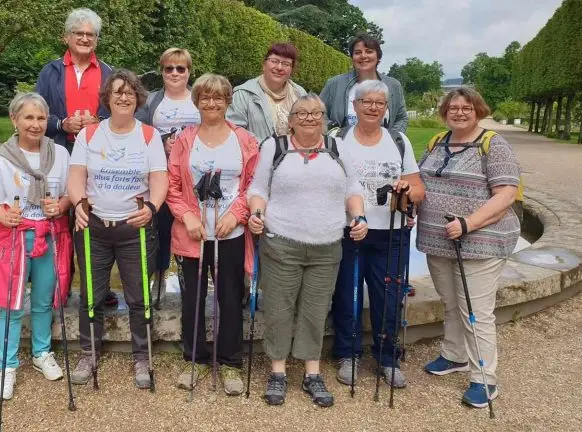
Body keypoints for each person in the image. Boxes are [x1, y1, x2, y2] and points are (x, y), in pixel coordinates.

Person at [247, 93, 367, 407]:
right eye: (302, 112)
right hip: (281, 242)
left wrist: (359, 216)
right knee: (279, 309)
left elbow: (352, 188)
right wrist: (256, 213)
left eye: (317, 112)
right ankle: (278, 372)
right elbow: (258, 188)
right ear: (291, 119)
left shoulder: (338, 147)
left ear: (324, 117)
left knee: (315, 310)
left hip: (327, 245)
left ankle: (312, 373)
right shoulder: (274, 147)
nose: (310, 117)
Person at [417, 88, 520, 409]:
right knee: (450, 302)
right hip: (439, 242)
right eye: (452, 107)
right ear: (444, 111)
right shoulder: (437, 142)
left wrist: (469, 223)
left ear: (478, 110)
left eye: (466, 108)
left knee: (475, 311)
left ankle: (484, 378)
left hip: (479, 243)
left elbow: (505, 195)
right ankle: (454, 354)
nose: (459, 112)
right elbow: (422, 184)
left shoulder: (493, 145)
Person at [67, 69, 167, 389]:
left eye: (129, 92)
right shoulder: (90, 135)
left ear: (138, 98)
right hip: (94, 226)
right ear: (107, 97)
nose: (123, 97)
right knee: (91, 296)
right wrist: (78, 202)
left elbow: (159, 179)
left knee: (139, 298)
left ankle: (141, 356)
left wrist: (152, 208)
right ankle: (88, 352)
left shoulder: (149, 135)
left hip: (133, 229)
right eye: (117, 91)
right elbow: (76, 175)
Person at [0, 93, 72, 400]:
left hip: (50, 235)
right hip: (16, 238)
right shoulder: (1, 159)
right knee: (12, 304)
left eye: (41, 118)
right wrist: (6, 216)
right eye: (28, 117)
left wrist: (61, 206)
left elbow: (69, 194)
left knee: (44, 299)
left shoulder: (59, 154)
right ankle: (8, 365)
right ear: (14, 120)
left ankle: (42, 353)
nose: (35, 124)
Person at [166, 73, 258, 395]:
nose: (212, 102)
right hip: (192, 235)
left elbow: (252, 186)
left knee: (230, 298)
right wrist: (188, 216)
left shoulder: (244, 140)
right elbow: (173, 187)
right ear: (197, 101)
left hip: (229, 233)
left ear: (227, 100)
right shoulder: (184, 140)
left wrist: (236, 215)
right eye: (205, 97)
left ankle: (230, 360)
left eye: (218, 97)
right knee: (192, 298)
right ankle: (195, 358)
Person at [329, 80, 425, 390]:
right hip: (348, 230)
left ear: (385, 109)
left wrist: (408, 191)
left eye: (379, 103)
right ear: (354, 106)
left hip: (390, 232)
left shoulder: (398, 141)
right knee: (347, 294)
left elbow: (418, 188)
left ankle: (387, 357)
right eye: (366, 102)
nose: (373, 107)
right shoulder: (337, 138)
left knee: (389, 297)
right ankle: (348, 354)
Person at [36, 7, 118, 307]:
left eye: (90, 34)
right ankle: (60, 283)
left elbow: (118, 114)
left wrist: (99, 123)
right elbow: (38, 112)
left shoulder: (108, 72)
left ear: (96, 40)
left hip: (97, 157)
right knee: (58, 216)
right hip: (61, 151)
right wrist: (61, 123)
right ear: (67, 37)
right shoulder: (51, 71)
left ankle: (97, 286)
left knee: (93, 219)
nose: (85, 38)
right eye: (79, 33)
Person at [137, 48, 201, 299]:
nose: (174, 73)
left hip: (193, 175)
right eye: (169, 68)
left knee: (191, 226)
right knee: (160, 227)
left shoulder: (199, 97)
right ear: (162, 71)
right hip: (162, 173)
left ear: (188, 72)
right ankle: (159, 276)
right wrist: (163, 140)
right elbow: (140, 132)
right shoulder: (152, 101)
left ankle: (192, 281)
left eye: (180, 68)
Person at [320, 33, 408, 134]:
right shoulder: (334, 84)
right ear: (352, 57)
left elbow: (401, 118)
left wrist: (391, 138)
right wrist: (335, 132)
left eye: (369, 51)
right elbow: (317, 112)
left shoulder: (393, 85)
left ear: (378, 56)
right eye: (357, 52)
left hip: (383, 147)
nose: (363, 56)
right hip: (341, 147)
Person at [226, 43, 307, 142]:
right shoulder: (244, 94)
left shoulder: (300, 94)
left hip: (296, 155)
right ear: (264, 65)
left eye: (286, 64)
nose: (279, 67)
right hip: (258, 154)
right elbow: (234, 129)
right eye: (274, 61)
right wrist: (268, 147)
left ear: (292, 70)